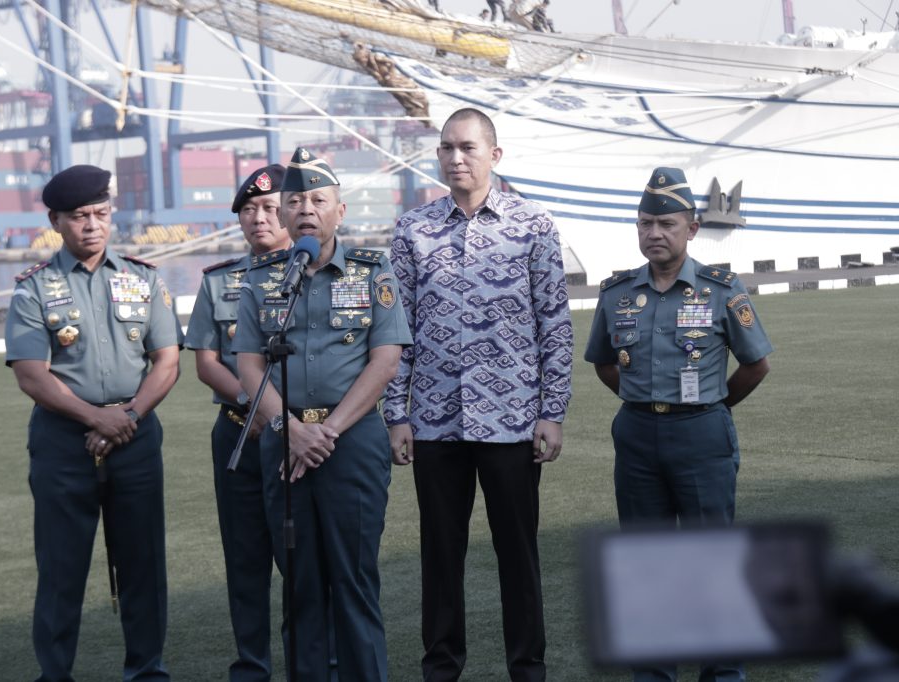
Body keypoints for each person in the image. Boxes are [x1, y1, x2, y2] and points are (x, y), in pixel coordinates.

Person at [384, 107, 573, 682]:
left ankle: (528, 669)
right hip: (435, 423)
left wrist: (552, 412)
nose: (455, 157)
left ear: (495, 154)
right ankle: (441, 670)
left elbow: (554, 324)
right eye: (446, 147)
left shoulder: (534, 226)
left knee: (518, 555)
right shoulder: (413, 230)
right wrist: (396, 414)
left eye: (467, 147)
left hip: (512, 423)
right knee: (441, 558)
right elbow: (396, 331)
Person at [583, 166, 773, 682]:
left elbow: (756, 364)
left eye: (666, 224)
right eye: (645, 223)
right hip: (637, 435)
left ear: (691, 229)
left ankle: (723, 673)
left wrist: (715, 406)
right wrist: (644, 401)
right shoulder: (617, 293)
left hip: (702, 434)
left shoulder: (721, 290)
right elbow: (603, 363)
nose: (654, 233)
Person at [232, 147, 412, 681]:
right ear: (284, 213)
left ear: (340, 211)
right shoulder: (263, 279)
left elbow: (385, 360)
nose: (306, 210)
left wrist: (324, 432)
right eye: (295, 202)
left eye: (318, 201)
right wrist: (289, 429)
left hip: (350, 442)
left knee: (354, 581)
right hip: (283, 444)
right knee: (300, 585)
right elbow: (249, 364)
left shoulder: (373, 271)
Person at [4, 164, 182, 681]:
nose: (92, 225)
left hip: (135, 437)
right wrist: (97, 419)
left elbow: (167, 361)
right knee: (61, 569)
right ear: (56, 221)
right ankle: (55, 674)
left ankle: (146, 671)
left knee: (143, 566)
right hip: (64, 442)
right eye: (79, 216)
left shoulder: (143, 279)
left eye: (101, 214)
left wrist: (127, 416)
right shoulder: (35, 288)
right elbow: (32, 374)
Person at [184, 164, 292, 680]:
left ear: (290, 210)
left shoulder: (316, 275)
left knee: (301, 559)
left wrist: (272, 412)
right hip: (238, 433)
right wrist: (254, 405)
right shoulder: (219, 281)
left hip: (295, 435)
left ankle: (310, 663)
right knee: (245, 558)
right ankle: (252, 667)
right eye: (248, 210)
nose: (258, 218)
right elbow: (206, 362)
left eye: (269, 207)